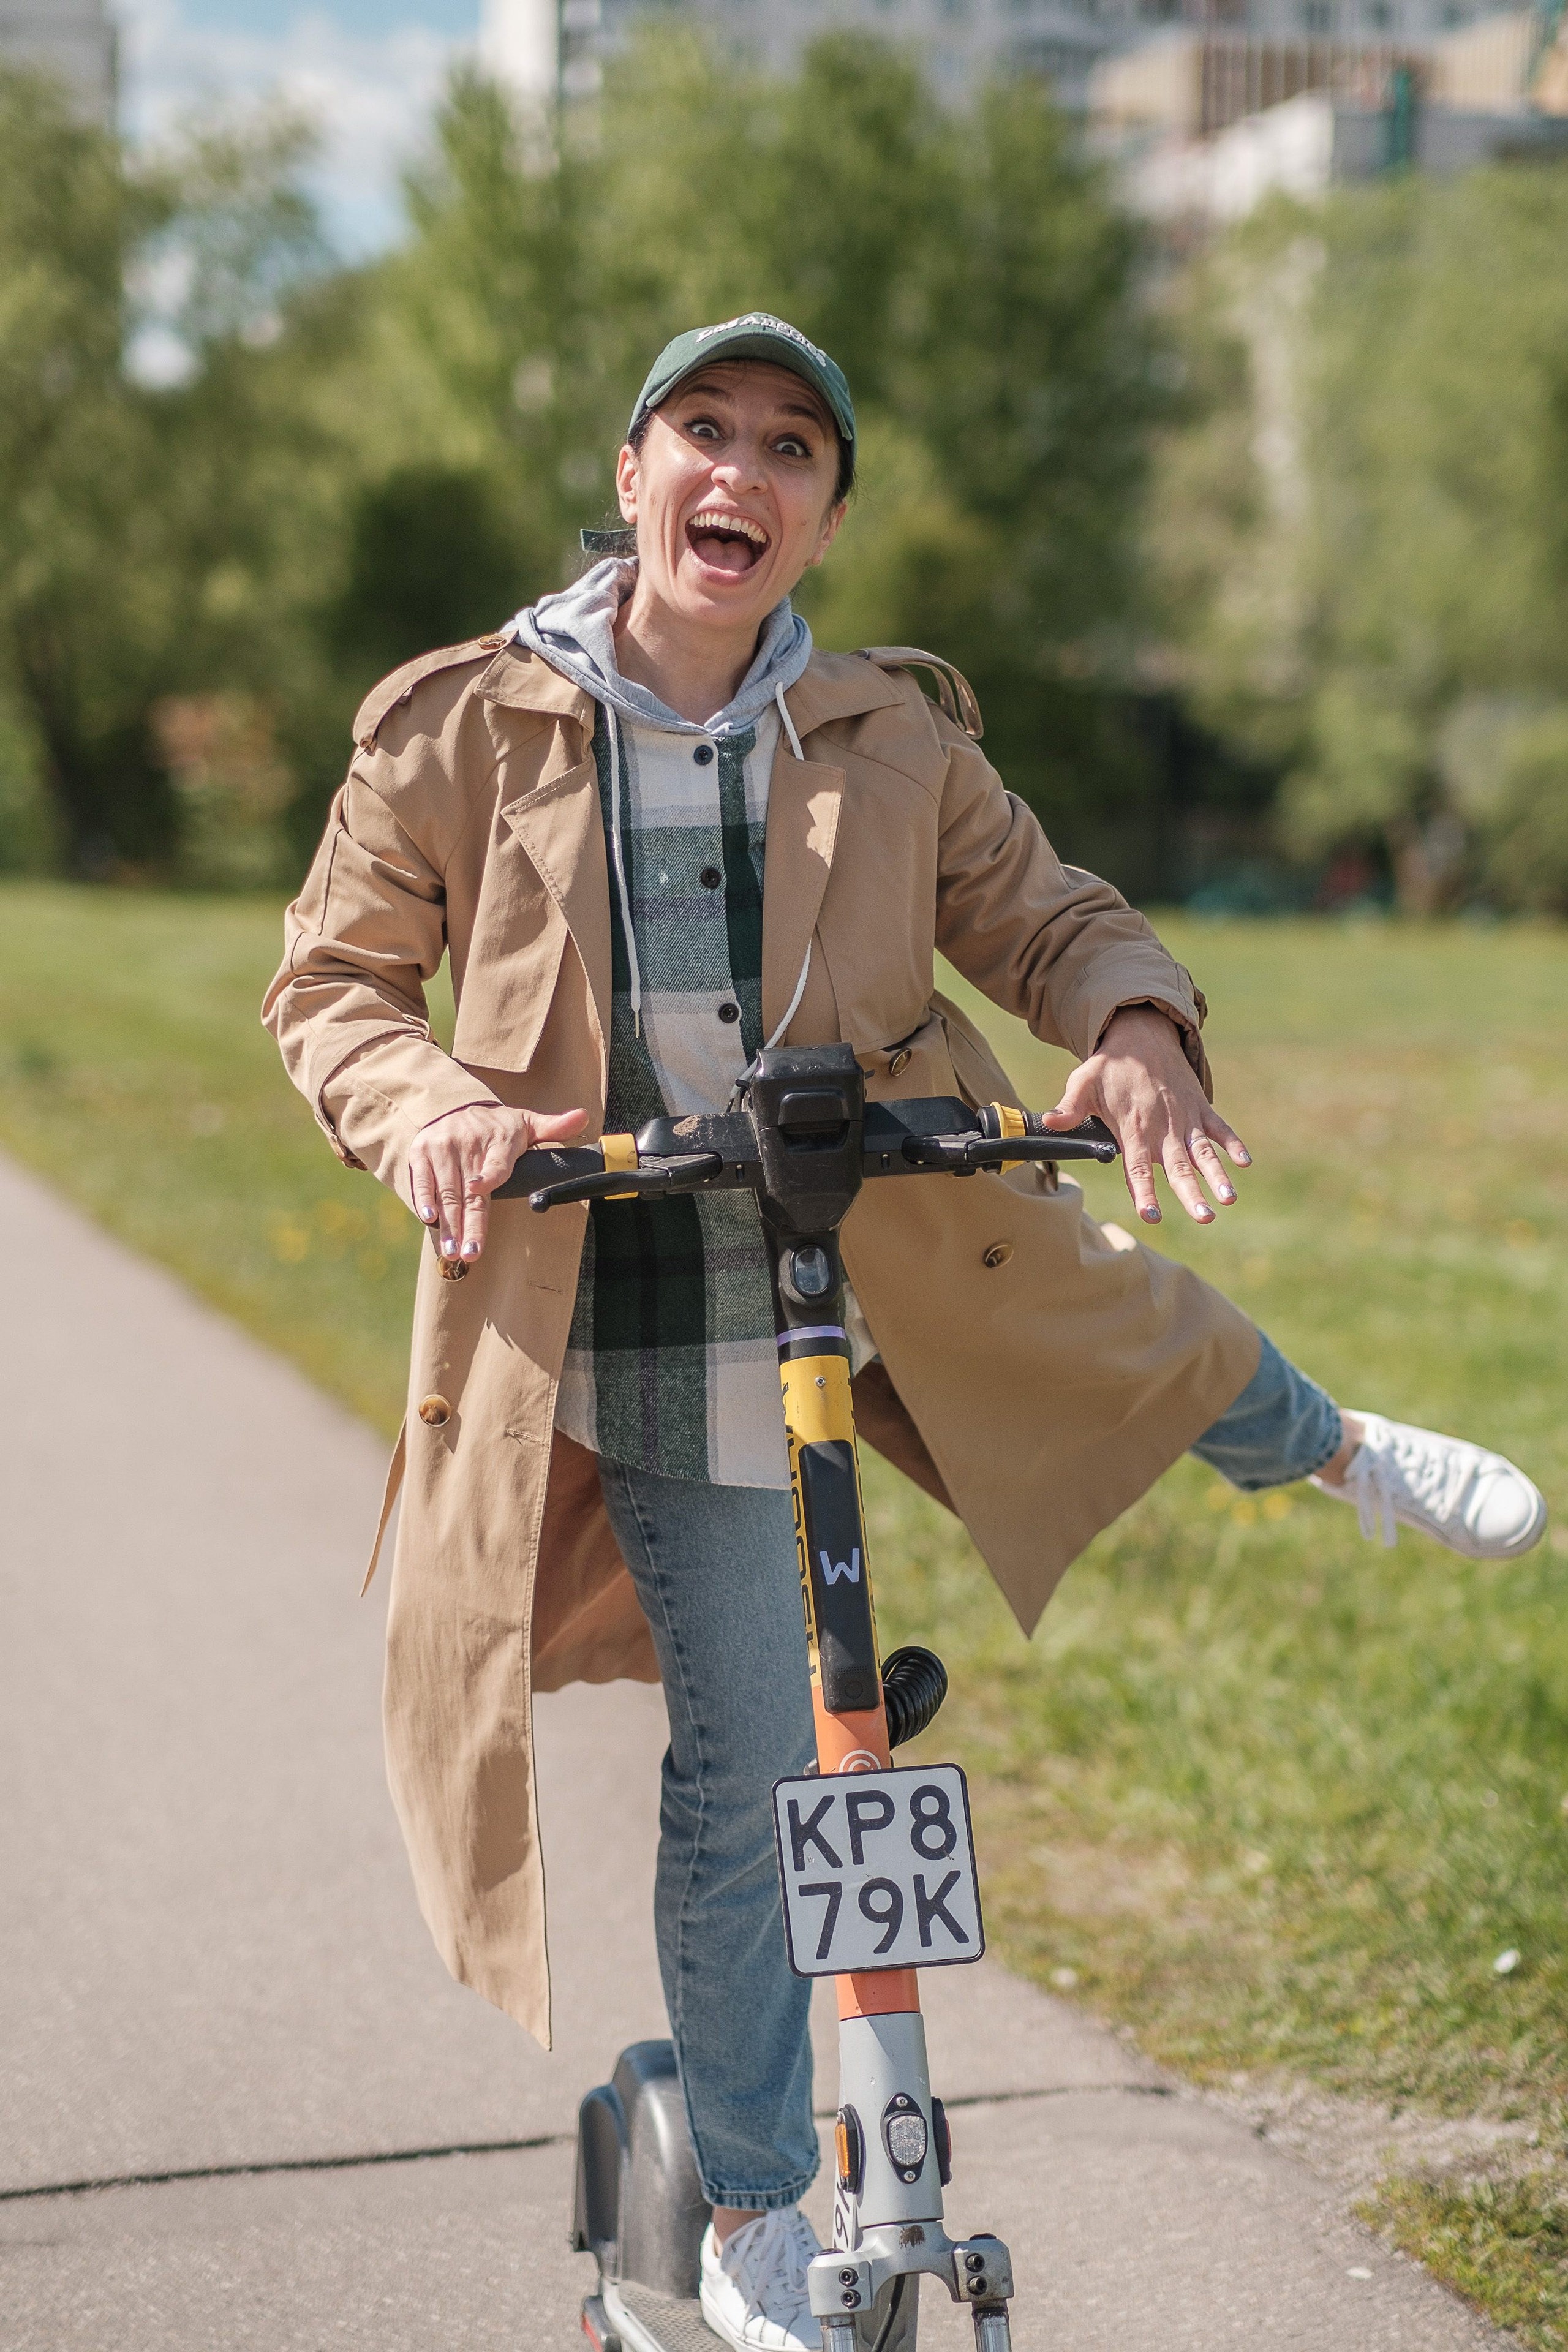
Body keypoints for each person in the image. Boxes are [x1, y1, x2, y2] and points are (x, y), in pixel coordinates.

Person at [264, 314, 1546, 2352]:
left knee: (1122, 1316)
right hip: (640, 1288)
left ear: (824, 517)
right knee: (765, 1757)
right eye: (708, 431)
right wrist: (436, 1113)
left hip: (867, 1225)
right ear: (633, 475)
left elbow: (1047, 917)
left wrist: (1129, 1026)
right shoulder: (460, 728)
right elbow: (331, 987)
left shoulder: (886, 735)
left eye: (793, 448)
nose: (744, 473)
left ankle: (1344, 1458)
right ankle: (763, 2216)